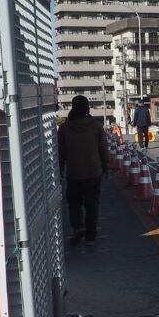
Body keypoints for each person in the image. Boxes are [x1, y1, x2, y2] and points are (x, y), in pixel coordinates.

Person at [58, 95, 109, 247]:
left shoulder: (65, 128)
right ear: (87, 108)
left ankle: (78, 227)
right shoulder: (96, 126)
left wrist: (60, 170)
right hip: (94, 172)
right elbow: (103, 149)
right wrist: (106, 166)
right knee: (92, 205)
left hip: (74, 173)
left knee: (73, 203)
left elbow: (60, 153)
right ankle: (90, 237)